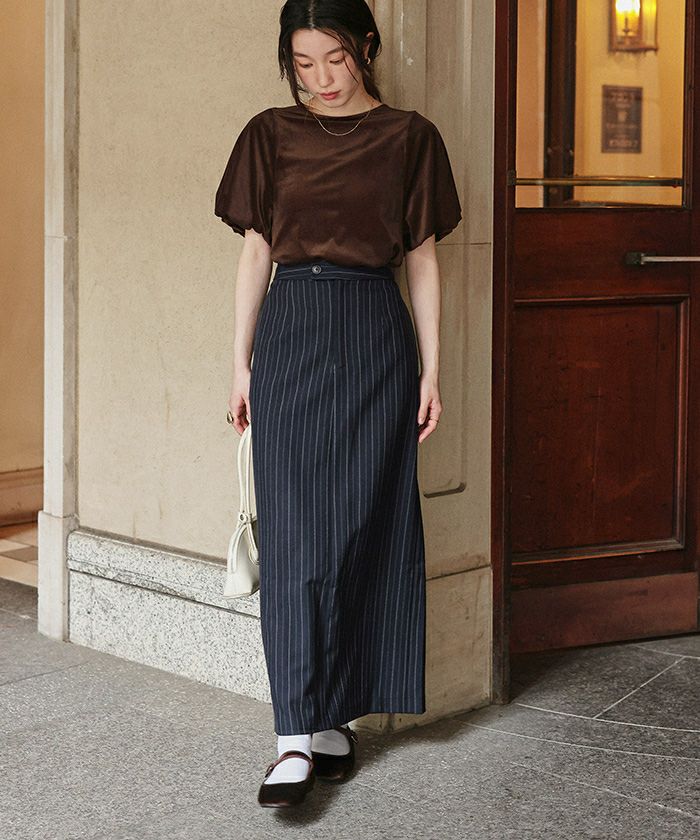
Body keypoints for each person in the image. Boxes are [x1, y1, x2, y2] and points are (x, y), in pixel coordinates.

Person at [214, 0, 462, 809]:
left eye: (335, 58)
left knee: (367, 525)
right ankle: (292, 735)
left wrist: (431, 369)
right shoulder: (269, 135)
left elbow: (421, 259)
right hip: (292, 329)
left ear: (367, 48)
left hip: (375, 333)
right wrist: (241, 363)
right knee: (295, 534)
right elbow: (256, 253)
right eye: (302, 62)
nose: (320, 78)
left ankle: (333, 717)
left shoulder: (410, 138)